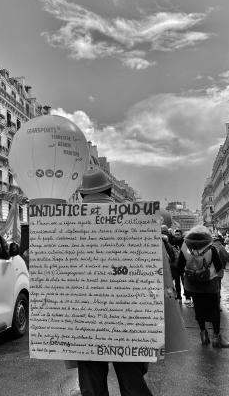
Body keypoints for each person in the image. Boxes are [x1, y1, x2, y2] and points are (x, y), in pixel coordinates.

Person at [76, 169, 153, 396]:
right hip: (126, 316)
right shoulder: (136, 220)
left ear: (81, 196)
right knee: (132, 381)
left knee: (91, 382)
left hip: (83, 317)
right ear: (110, 191)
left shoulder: (65, 224)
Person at [177, 225, 229, 348]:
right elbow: (219, 267)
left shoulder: (185, 247)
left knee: (199, 310)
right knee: (214, 311)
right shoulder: (210, 248)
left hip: (193, 286)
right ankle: (217, 338)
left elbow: (179, 266)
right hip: (210, 285)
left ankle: (203, 335)